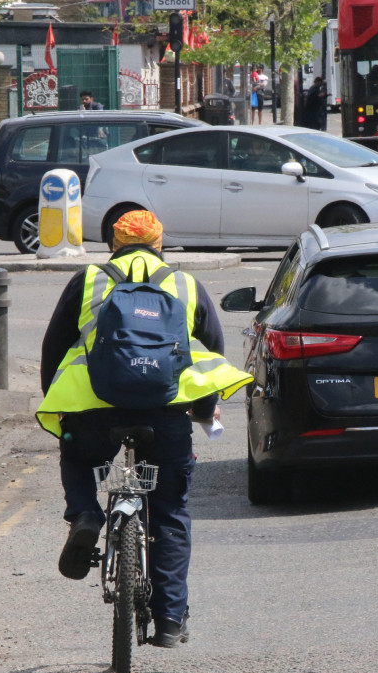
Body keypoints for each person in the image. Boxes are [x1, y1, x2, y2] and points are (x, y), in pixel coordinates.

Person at [36, 210, 252, 648]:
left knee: (77, 457)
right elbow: (210, 353)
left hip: (95, 407)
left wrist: (60, 408)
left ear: (114, 244)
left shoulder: (89, 281)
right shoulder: (186, 284)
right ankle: (170, 620)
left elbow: (53, 349)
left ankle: (85, 515)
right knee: (170, 512)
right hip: (164, 411)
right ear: (159, 244)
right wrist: (205, 410)